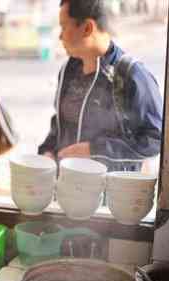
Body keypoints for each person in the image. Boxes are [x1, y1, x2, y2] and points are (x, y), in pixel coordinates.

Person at [38, 0, 163, 171]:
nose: (60, 36)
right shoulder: (69, 70)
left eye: (63, 27)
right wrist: (48, 152)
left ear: (88, 28)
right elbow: (60, 125)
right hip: (68, 188)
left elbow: (156, 140)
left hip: (113, 194)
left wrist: (94, 150)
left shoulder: (131, 76)